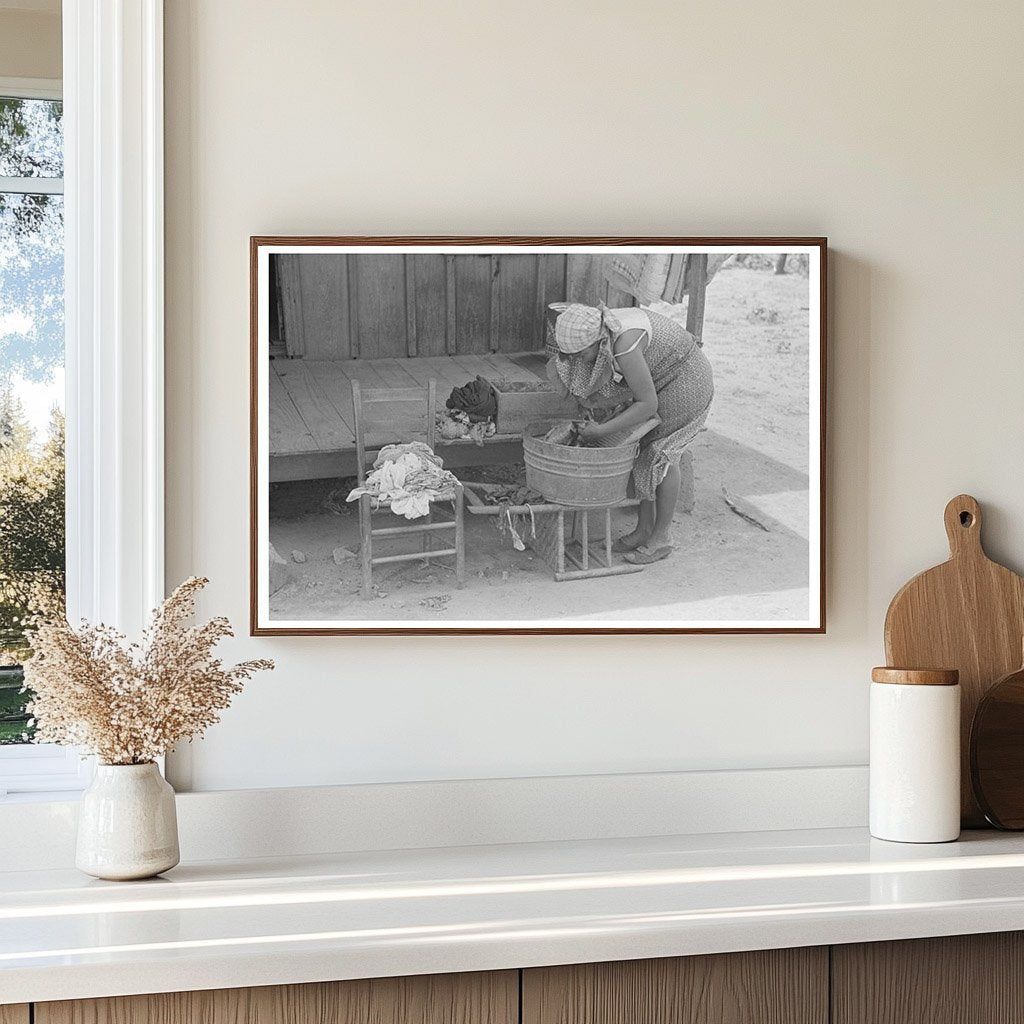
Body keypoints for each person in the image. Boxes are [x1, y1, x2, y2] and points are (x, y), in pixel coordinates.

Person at [546, 302, 714, 564]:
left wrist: (600, 430)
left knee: (662, 456)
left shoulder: (624, 345)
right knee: (643, 448)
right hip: (661, 378)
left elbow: (647, 405)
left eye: (580, 354)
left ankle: (661, 538)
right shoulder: (604, 329)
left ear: (599, 340)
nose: (577, 361)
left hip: (686, 380)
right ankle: (643, 529)